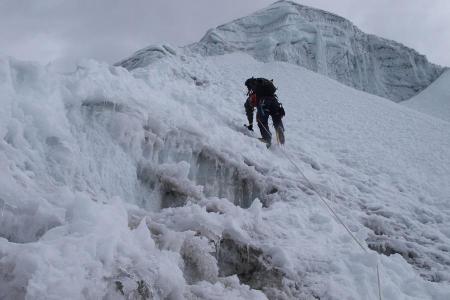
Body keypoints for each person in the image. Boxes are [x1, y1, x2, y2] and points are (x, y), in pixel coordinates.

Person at [244, 77, 285, 147]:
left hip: (264, 102)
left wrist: (250, 125)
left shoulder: (253, 95)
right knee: (276, 116)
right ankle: (279, 128)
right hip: (274, 101)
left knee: (261, 119)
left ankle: (267, 139)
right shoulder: (263, 88)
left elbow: (248, 109)